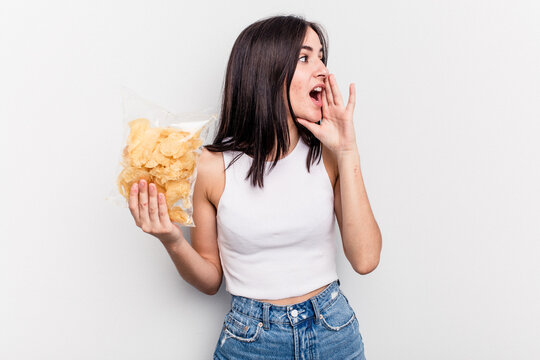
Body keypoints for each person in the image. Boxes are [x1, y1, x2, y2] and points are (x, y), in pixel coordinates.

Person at [128, 15, 381, 360]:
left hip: (333, 330)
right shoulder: (212, 167)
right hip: (252, 340)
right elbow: (209, 278)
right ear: (266, 72)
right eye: (305, 58)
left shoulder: (330, 157)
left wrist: (348, 150)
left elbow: (365, 259)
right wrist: (171, 239)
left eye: (322, 56)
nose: (322, 69)